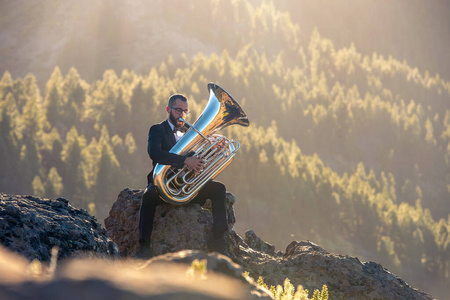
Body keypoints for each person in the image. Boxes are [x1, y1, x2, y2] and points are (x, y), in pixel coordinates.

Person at [135, 93, 230, 260]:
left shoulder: (190, 133)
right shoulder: (157, 129)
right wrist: (185, 160)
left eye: (186, 111)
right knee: (148, 196)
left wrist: (214, 150)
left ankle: (218, 241)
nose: (182, 115)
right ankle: (144, 247)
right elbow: (155, 153)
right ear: (168, 109)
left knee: (218, 189)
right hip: (162, 185)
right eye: (178, 110)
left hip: (184, 187)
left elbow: (198, 160)